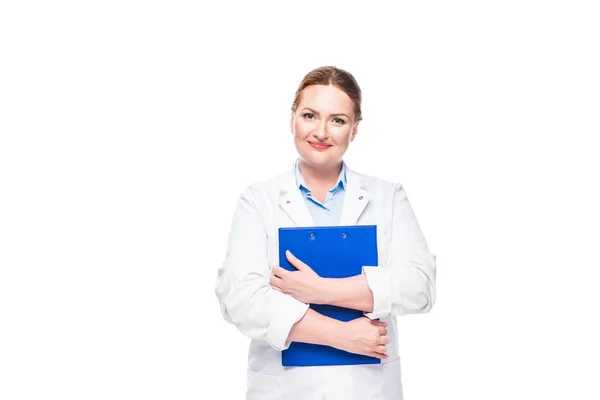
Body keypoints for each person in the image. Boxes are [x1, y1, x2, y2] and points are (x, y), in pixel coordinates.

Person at [215, 66, 437, 400]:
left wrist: (318, 289)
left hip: (367, 388)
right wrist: (342, 335)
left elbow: (419, 286)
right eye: (309, 115)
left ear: (355, 130)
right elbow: (241, 299)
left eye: (337, 120)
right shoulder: (258, 201)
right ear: (292, 120)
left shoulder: (388, 197)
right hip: (285, 389)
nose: (321, 131)